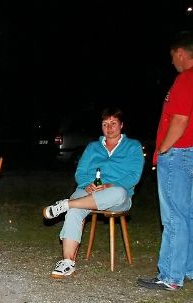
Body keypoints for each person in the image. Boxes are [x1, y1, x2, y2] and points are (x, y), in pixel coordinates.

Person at [138, 31, 193, 291]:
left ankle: (171, 276)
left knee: (174, 215)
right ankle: (192, 268)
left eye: (173, 57)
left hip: (181, 152)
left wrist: (162, 149)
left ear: (181, 53)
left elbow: (180, 120)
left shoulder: (188, 77)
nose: (172, 61)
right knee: (189, 212)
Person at [43, 107, 144, 278]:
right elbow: (80, 172)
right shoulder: (92, 147)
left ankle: (66, 204)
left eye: (113, 123)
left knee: (118, 192)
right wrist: (87, 184)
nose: (109, 127)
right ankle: (67, 262)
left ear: (121, 125)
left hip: (116, 194)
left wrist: (110, 185)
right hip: (88, 191)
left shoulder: (133, 147)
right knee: (75, 210)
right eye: (105, 124)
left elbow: (134, 176)